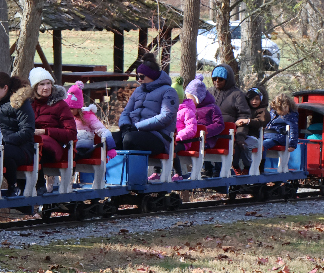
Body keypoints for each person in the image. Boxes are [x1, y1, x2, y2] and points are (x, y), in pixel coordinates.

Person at [116, 53, 178, 181]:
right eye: (137, 76)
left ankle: (134, 178)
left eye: (141, 76)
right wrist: (125, 126)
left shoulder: (169, 91)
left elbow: (166, 116)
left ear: (151, 75)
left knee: (130, 139)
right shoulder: (138, 91)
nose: (139, 80)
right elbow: (126, 112)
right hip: (135, 132)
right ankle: (115, 178)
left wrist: (137, 127)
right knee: (111, 139)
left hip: (158, 137)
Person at [29, 67, 77, 193]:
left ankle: (39, 184)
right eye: (41, 84)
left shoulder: (60, 105)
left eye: (48, 83)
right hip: (31, 142)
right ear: (35, 87)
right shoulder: (29, 105)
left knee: (37, 145)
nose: (46, 87)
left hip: (53, 148)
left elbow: (71, 133)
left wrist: (45, 131)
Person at [0, 71, 35, 197]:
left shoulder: (21, 103)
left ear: (5, 88)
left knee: (4, 152)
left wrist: (4, 140)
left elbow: (27, 131)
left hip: (22, 148)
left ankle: (13, 185)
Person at [209, 64, 250, 176]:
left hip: (229, 135)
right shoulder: (209, 92)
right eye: (214, 78)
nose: (217, 81)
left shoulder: (237, 94)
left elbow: (244, 116)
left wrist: (240, 136)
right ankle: (208, 169)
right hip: (211, 133)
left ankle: (222, 171)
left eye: (221, 79)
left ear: (227, 79)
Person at [64, 81, 116, 161]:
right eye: (67, 108)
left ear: (78, 108)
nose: (69, 111)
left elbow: (104, 131)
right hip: (70, 148)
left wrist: (111, 148)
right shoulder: (65, 117)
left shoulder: (88, 116)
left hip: (84, 150)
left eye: (72, 109)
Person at [235, 87, 271, 173]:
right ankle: (236, 166)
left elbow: (261, 122)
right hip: (242, 135)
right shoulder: (245, 110)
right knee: (235, 146)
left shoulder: (262, 111)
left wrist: (248, 121)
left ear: (261, 99)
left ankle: (247, 167)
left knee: (245, 146)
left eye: (257, 99)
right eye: (251, 99)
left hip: (254, 137)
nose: (254, 101)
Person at [185, 75, 224, 148]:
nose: (188, 101)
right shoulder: (188, 109)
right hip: (190, 139)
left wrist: (204, 131)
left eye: (190, 99)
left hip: (206, 140)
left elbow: (219, 124)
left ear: (198, 97)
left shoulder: (212, 108)